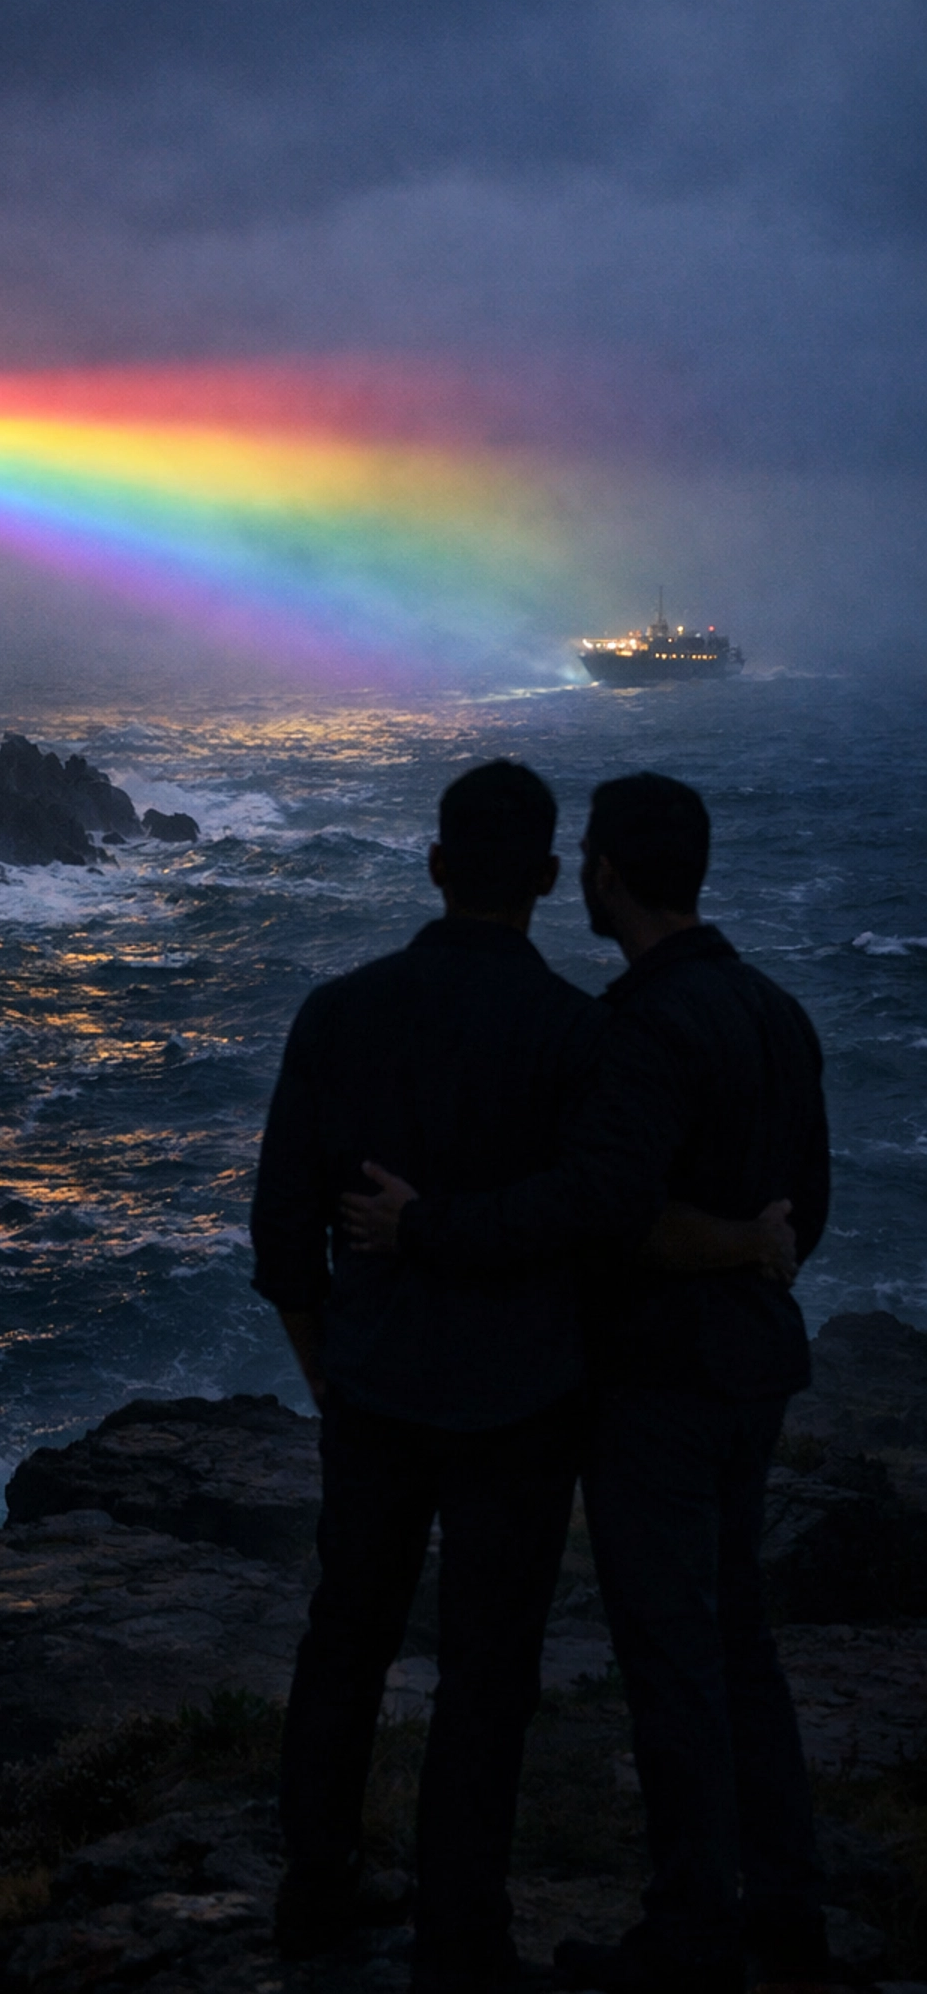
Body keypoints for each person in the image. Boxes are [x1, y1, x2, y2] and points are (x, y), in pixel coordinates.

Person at [249, 761, 789, 1994]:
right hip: (527, 1406)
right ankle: (464, 1930)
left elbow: (283, 1232)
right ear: (550, 880)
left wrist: (327, 1369)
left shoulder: (339, 1013)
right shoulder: (581, 1035)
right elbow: (600, 1219)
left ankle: (313, 1888)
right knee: (490, 1670)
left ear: (436, 866)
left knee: (347, 1635)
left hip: (373, 1389)